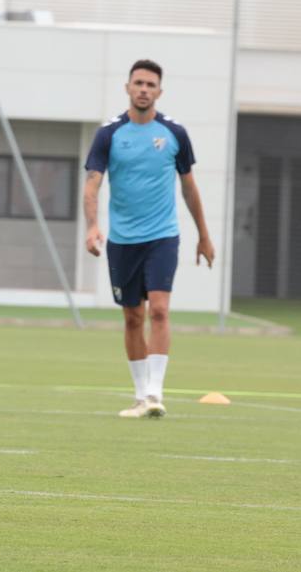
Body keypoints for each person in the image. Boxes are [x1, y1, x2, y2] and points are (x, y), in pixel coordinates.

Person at [84, 59, 215, 419]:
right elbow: (92, 183)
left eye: (150, 84)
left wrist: (203, 235)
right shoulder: (109, 134)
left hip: (163, 237)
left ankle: (156, 393)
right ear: (127, 88)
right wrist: (93, 226)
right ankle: (141, 395)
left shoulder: (174, 133)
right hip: (123, 241)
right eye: (138, 83)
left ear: (159, 91)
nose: (144, 89)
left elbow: (189, 187)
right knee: (131, 317)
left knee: (159, 309)